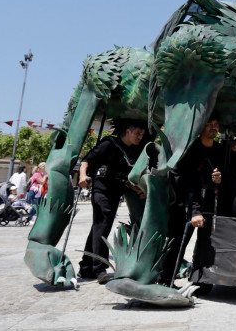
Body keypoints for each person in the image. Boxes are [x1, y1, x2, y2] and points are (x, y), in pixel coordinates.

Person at [78, 120, 148, 284]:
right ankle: (100, 268)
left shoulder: (132, 152)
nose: (140, 137)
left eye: (142, 135)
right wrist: (82, 176)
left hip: (116, 191)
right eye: (138, 133)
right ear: (128, 131)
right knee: (103, 223)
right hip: (101, 188)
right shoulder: (109, 143)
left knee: (99, 226)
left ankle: (86, 266)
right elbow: (86, 160)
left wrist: (138, 190)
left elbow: (127, 178)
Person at [158, 117, 222, 286]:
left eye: (216, 125)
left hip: (207, 201)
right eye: (209, 124)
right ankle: (165, 279)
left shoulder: (219, 150)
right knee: (178, 240)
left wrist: (218, 179)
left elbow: (220, 176)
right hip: (183, 200)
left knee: (205, 242)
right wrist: (195, 211)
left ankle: (201, 279)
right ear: (201, 127)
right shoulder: (189, 149)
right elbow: (189, 181)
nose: (213, 128)